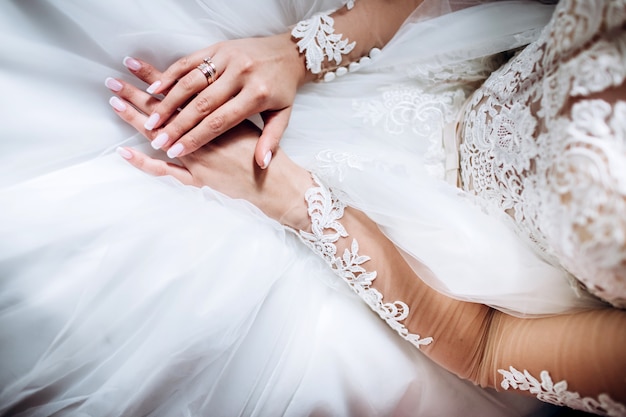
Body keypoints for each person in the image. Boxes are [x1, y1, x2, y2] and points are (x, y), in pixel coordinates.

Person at [0, 1, 623, 416]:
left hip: (438, 283)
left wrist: (299, 202)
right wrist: (300, 53)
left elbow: (487, 346)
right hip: (435, 62)